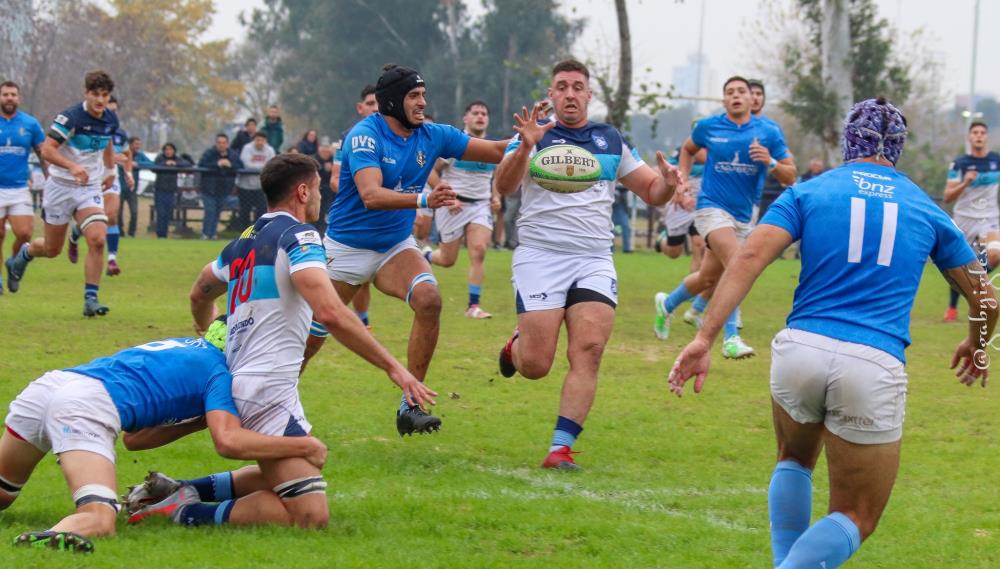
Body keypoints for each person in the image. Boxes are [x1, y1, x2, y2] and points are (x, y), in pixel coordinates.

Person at [669, 97, 996, 569]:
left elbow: (748, 258)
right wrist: (977, 345)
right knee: (857, 515)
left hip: (801, 350)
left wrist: (704, 338)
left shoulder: (809, 191)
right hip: (872, 362)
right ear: (898, 148)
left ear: (848, 141)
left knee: (793, 459)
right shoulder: (925, 207)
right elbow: (988, 300)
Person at [137, 153, 434, 531]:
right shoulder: (301, 236)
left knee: (290, 471)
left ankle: (181, 490)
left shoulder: (241, 242)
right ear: (303, 191)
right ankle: (181, 512)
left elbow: (200, 291)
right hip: (267, 388)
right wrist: (395, 369)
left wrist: (206, 330)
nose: (321, 197)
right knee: (309, 514)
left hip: (245, 379)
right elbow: (330, 312)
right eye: (319, 188)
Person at [493, 59, 681, 470]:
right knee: (536, 365)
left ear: (589, 95)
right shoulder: (534, 134)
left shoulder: (609, 139)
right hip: (540, 256)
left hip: (593, 258)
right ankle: (516, 347)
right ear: (551, 94)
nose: (570, 94)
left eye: (577, 87)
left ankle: (560, 449)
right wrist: (524, 146)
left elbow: (652, 191)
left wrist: (668, 182)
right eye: (562, 86)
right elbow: (503, 187)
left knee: (590, 350)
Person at [2, 319, 328, 552]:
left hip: (50, 386)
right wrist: (305, 446)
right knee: (99, 519)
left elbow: (135, 439)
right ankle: (43, 541)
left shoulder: (186, 346)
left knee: (3, 493)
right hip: (84, 405)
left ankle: (180, 494)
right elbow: (228, 441)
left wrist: (195, 421)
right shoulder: (220, 372)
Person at [319, 64, 512, 436]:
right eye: (414, 96)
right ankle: (266, 403)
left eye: (423, 95)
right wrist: (425, 198)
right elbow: (371, 195)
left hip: (394, 247)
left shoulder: (432, 134)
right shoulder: (364, 136)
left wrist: (535, 139)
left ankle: (410, 406)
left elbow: (494, 150)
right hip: (346, 250)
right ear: (393, 101)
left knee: (429, 299)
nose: (423, 102)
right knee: (309, 338)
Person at [653, 76, 795, 358]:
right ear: (724, 100)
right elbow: (688, 149)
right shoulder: (709, 126)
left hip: (743, 216)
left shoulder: (768, 132)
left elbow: (790, 175)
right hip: (711, 208)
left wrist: (770, 161)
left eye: (741, 91)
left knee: (708, 278)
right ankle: (731, 339)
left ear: (752, 99)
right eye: (730, 92)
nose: (736, 96)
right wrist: (682, 180)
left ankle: (666, 304)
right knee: (737, 264)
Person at [6, 70, 119, 317]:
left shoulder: (110, 118)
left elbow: (107, 142)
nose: (100, 100)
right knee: (51, 249)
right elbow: (47, 150)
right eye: (96, 94)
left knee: (98, 239)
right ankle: (24, 254)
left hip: (88, 187)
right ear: (86, 93)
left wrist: (110, 170)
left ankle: (91, 299)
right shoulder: (71, 118)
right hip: (60, 187)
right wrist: (72, 166)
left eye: (105, 95)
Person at [423, 100, 502, 319]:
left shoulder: (492, 147)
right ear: (466, 118)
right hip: (453, 206)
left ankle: (473, 306)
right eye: (475, 113)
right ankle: (427, 255)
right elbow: (429, 170)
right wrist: (447, 195)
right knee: (448, 260)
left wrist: (496, 196)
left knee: (479, 251)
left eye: (484, 113)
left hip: (481, 205)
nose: (480, 116)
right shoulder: (455, 144)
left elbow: (497, 176)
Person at [332, 84, 379, 328]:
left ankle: (361, 322)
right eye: (370, 103)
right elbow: (334, 179)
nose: (375, 108)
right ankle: (360, 322)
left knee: (365, 277)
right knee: (354, 277)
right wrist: (361, 190)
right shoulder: (348, 138)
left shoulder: (395, 135)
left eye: (379, 103)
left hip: (382, 217)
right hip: (352, 217)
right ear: (360, 108)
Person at [942, 121, 1000, 322]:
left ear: (987, 137)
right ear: (969, 137)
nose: (979, 135)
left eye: (982, 132)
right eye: (975, 132)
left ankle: (974, 282)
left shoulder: (996, 161)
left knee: (995, 255)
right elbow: (947, 196)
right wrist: (965, 182)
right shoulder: (960, 164)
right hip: (964, 218)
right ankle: (952, 307)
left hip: (989, 218)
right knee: (958, 264)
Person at [68, 95, 131, 277]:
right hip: (91, 177)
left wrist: (127, 173)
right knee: (95, 220)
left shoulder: (119, 132)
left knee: (111, 216)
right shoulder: (85, 127)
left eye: (115, 110)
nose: (112, 112)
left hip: (110, 177)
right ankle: (75, 233)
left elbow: (127, 154)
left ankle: (111, 260)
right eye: (109, 109)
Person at [0, 80, 46, 296]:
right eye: (5, 94)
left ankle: (14, 264)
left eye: (13, 94)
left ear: (18, 98)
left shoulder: (30, 124)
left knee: (25, 233)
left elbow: (43, 152)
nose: (9, 98)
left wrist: (51, 178)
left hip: (19, 188)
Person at [197, 133, 242, 240]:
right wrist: (217, 164)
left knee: (217, 212)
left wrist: (230, 165)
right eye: (219, 142)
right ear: (216, 143)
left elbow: (240, 166)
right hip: (209, 188)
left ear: (227, 144)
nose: (221, 145)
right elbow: (201, 164)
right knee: (210, 211)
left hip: (224, 189)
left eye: (223, 143)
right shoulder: (209, 153)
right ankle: (206, 234)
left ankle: (213, 234)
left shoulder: (232, 155)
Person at [236, 131, 275, 230]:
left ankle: (258, 232)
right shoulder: (247, 148)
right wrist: (262, 167)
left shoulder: (270, 150)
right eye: (258, 140)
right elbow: (246, 163)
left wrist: (258, 167)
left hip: (262, 187)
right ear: (254, 140)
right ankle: (244, 232)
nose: (260, 142)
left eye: (262, 140)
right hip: (245, 186)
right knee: (245, 210)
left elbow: (272, 164)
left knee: (261, 211)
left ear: (265, 141)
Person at [152, 143, 191, 238]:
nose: (168, 151)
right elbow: (153, 167)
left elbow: (188, 163)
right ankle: (160, 234)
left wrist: (175, 164)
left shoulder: (177, 159)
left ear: (174, 151)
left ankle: (164, 234)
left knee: (168, 213)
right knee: (161, 213)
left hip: (171, 191)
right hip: (160, 190)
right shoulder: (160, 158)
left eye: (170, 149)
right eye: (166, 149)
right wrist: (165, 164)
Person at [123, 136, 152, 237]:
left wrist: (138, 164)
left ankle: (131, 233)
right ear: (130, 144)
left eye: (139, 144)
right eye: (136, 144)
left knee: (134, 212)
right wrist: (127, 163)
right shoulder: (123, 153)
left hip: (132, 189)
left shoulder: (140, 155)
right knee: (118, 212)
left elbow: (151, 163)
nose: (138, 146)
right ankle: (120, 233)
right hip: (120, 188)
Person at [314, 144, 336, 235]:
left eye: (327, 152)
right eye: (323, 152)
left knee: (326, 213)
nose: (325, 154)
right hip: (317, 190)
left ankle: (324, 232)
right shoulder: (315, 160)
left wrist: (332, 169)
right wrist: (323, 168)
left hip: (329, 192)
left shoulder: (334, 161)